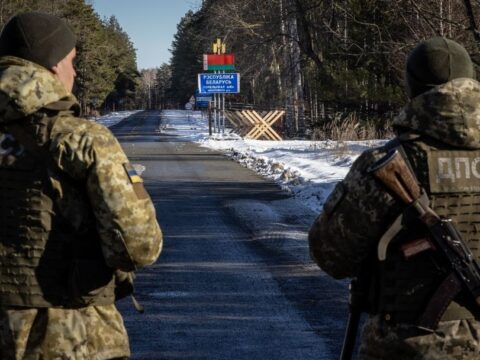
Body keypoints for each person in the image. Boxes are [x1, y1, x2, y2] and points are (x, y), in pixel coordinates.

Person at [0, 12, 163, 360]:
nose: (74, 73)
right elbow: (139, 245)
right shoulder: (81, 139)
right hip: (68, 331)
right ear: (54, 64)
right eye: (72, 61)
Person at [309, 37, 480, 359]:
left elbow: (330, 254)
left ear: (412, 89)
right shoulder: (391, 168)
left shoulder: (389, 163)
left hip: (410, 346)